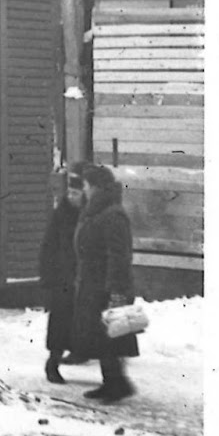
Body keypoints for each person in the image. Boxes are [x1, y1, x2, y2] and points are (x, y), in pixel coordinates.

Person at [72, 164, 139, 402]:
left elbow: (119, 256)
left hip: (107, 287)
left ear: (96, 187)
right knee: (100, 336)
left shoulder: (112, 214)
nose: (84, 190)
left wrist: (117, 291)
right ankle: (111, 382)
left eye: (86, 186)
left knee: (110, 336)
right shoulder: (97, 210)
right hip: (94, 284)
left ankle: (118, 384)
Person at [39, 162, 86, 383]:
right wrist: (47, 277)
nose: (71, 196)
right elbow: (48, 246)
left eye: (76, 193)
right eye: (70, 192)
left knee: (82, 321)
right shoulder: (62, 214)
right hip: (63, 279)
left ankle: (79, 352)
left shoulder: (89, 215)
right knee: (60, 322)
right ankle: (53, 363)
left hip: (82, 278)